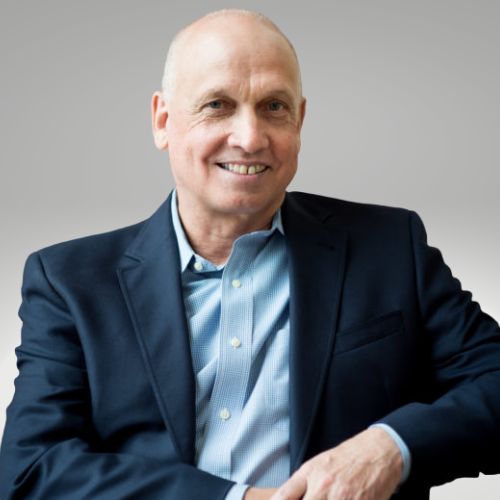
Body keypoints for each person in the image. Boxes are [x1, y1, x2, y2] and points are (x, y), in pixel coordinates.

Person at [0, 8, 499, 500]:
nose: (250, 137)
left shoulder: (390, 247)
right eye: (218, 104)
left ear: (300, 120)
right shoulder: (69, 282)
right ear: (163, 121)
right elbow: (30, 470)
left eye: (274, 106)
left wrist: (390, 447)